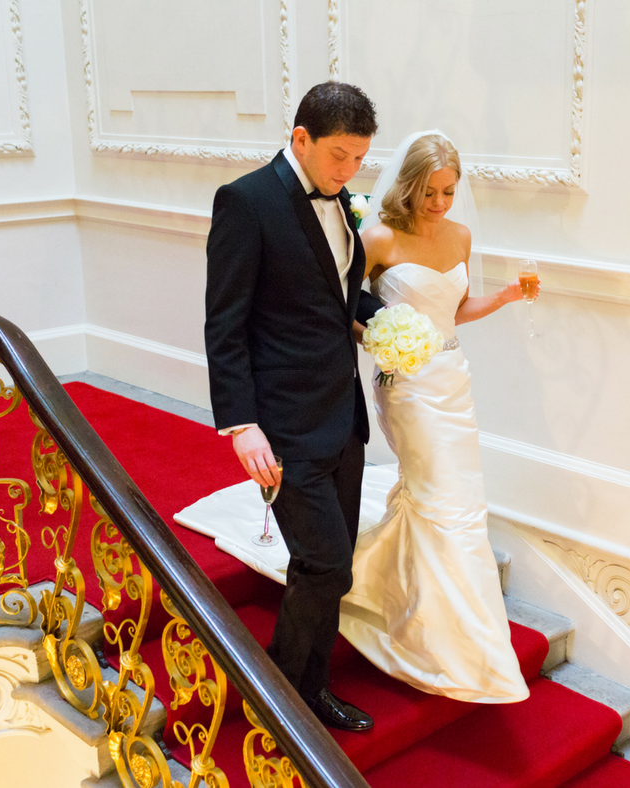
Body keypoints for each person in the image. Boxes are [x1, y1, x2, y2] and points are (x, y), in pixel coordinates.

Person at [204, 82, 384, 732]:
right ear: (301, 137)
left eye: (359, 158)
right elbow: (224, 323)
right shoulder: (246, 202)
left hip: (344, 418)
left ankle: (311, 692)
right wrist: (243, 424)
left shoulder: (348, 203)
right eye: (338, 155)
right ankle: (278, 695)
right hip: (281, 424)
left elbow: (339, 298)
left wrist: (387, 324)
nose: (349, 171)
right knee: (326, 562)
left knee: (327, 570)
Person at [339, 131, 539, 702]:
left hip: (453, 381)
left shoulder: (460, 235)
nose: (440, 203)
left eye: (449, 191)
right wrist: (378, 337)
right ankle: (449, 643)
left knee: (458, 501)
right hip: (406, 387)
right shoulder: (377, 239)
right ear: (409, 186)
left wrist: (502, 300)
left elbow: (453, 310)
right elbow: (344, 306)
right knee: (440, 498)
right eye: (430, 192)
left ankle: (409, 606)